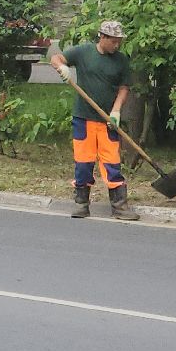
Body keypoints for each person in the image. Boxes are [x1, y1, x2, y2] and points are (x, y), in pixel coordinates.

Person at [49, 19, 140, 221]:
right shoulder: (83, 53)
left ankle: (119, 206)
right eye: (114, 41)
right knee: (83, 162)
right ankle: (81, 204)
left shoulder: (121, 60)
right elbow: (56, 58)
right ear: (103, 37)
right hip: (83, 119)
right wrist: (61, 69)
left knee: (112, 162)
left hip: (108, 121)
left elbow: (124, 88)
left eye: (119, 42)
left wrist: (116, 112)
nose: (117, 45)